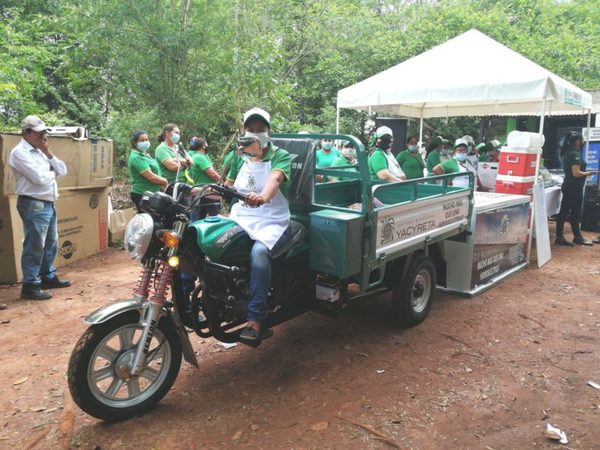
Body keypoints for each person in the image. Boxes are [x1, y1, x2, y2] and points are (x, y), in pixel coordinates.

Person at [225, 107, 292, 343]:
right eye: (250, 129)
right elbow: (227, 185)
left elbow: (274, 179)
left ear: (268, 132)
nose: (255, 134)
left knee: (259, 253)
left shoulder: (280, 156)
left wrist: (262, 197)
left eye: (260, 129)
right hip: (241, 216)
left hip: (271, 219)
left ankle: (255, 320)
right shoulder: (237, 157)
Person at [8, 115, 71, 300]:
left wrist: (48, 152)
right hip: (33, 203)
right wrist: (52, 172)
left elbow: (63, 170)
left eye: (44, 132)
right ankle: (30, 285)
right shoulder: (19, 153)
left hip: (47, 201)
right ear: (26, 133)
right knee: (35, 245)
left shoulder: (41, 151)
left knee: (50, 242)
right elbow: (39, 179)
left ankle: (47, 276)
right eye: (38, 133)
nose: (43, 136)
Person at [555, 131, 595, 246]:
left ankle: (562, 236)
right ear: (577, 141)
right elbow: (576, 174)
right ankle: (575, 237)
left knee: (565, 211)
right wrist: (588, 173)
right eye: (581, 139)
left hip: (570, 186)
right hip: (574, 187)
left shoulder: (570, 152)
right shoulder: (574, 154)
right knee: (574, 212)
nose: (583, 141)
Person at [128, 130, 168, 209]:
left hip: (152, 193)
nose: (145, 142)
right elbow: (151, 177)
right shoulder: (136, 157)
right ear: (135, 143)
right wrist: (164, 181)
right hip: (142, 194)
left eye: (147, 139)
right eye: (142, 140)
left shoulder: (144, 154)